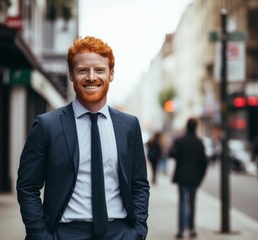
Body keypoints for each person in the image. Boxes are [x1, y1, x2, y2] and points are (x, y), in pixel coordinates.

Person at [17, 36, 149, 240]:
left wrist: (137, 231)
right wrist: (40, 236)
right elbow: (27, 186)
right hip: (66, 233)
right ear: (71, 74)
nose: (91, 77)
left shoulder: (129, 126)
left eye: (99, 70)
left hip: (120, 232)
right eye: (82, 70)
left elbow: (139, 184)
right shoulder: (47, 126)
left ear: (111, 74)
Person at [169, 118, 208, 239]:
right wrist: (200, 177)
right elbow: (204, 162)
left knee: (182, 202)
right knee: (192, 203)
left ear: (186, 127)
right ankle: (191, 229)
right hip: (194, 177)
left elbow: (171, 154)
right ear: (196, 127)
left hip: (181, 176)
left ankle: (181, 230)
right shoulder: (199, 142)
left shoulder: (180, 141)